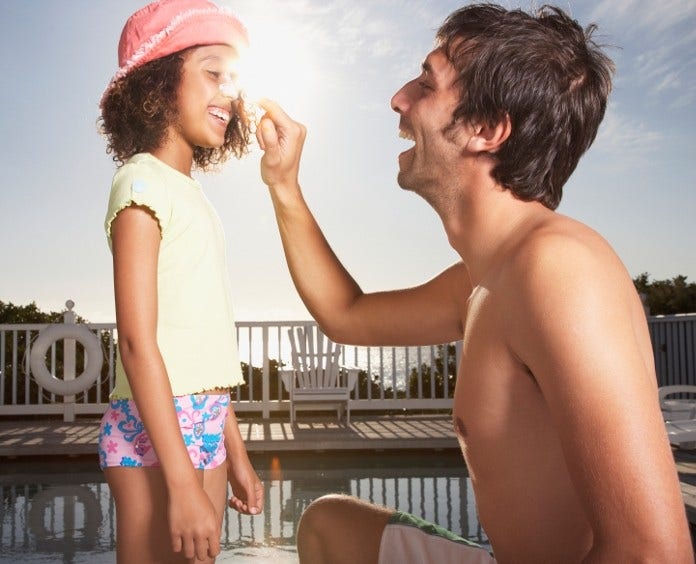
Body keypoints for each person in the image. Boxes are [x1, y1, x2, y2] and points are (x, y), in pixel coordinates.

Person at [255, 3, 693, 563]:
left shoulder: (559, 271)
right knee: (329, 525)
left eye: (425, 82)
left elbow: (654, 554)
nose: (399, 98)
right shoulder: (485, 279)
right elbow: (345, 312)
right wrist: (284, 186)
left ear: (487, 130)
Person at [96, 1, 263, 562]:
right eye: (213, 73)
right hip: (154, 426)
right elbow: (140, 341)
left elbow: (202, 347)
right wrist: (183, 482)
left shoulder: (194, 196)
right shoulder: (139, 182)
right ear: (159, 83)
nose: (229, 93)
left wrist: (233, 451)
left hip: (202, 420)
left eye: (233, 80)